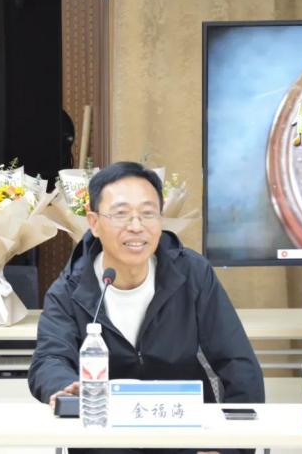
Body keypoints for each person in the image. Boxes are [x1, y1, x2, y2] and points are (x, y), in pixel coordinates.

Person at [29, 162, 264, 454]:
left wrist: (231, 449)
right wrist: (66, 386)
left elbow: (237, 362)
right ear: (94, 222)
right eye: (121, 214)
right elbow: (49, 359)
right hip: (105, 438)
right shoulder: (69, 289)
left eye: (148, 213)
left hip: (187, 433)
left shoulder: (192, 273)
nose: (136, 226)